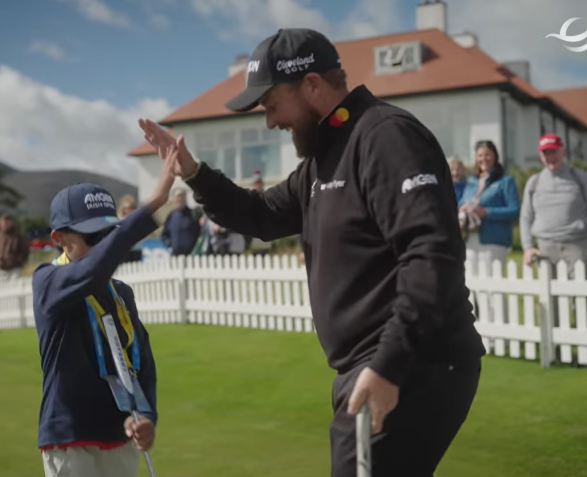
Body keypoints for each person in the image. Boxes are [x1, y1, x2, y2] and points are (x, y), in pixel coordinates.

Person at [138, 27, 485, 477]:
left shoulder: (384, 136)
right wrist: (192, 171)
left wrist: (389, 364)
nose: (269, 121)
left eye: (271, 104)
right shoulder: (324, 157)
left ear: (313, 85)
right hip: (381, 365)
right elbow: (260, 214)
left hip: (413, 364)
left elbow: (431, 254)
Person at [32, 147, 176, 476]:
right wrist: (153, 205)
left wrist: (146, 415)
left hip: (120, 436)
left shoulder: (121, 293)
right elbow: (91, 272)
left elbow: (142, 364)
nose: (104, 245)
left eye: (109, 234)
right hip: (70, 439)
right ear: (59, 238)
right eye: (92, 236)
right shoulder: (47, 281)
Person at [521, 133, 587, 276]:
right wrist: (528, 247)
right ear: (540, 156)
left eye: (554, 152)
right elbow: (526, 217)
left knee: (580, 296)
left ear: (563, 152)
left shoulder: (580, 177)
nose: (550, 157)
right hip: (545, 248)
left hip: (577, 245)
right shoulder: (534, 182)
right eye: (546, 153)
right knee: (550, 297)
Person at [458, 140, 519, 276]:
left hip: (493, 240)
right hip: (470, 239)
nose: (483, 159)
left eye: (487, 155)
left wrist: (485, 212)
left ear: (495, 157)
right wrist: (462, 208)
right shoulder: (471, 182)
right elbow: (462, 202)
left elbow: (514, 211)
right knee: (472, 284)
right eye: (480, 155)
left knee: (492, 286)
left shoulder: (505, 181)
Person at [160, 189, 201, 256]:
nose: (179, 199)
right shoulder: (171, 216)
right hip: (175, 254)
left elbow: (199, 232)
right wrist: (170, 245)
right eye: (177, 197)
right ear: (174, 199)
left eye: (182, 197)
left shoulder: (192, 214)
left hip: (191, 254)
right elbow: (164, 235)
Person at [0, 214, 30, 282]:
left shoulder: (18, 235)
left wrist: (19, 261)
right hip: (2, 269)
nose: (5, 224)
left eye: (7, 222)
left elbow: (25, 250)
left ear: (11, 222)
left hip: (15, 269)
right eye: (3, 222)